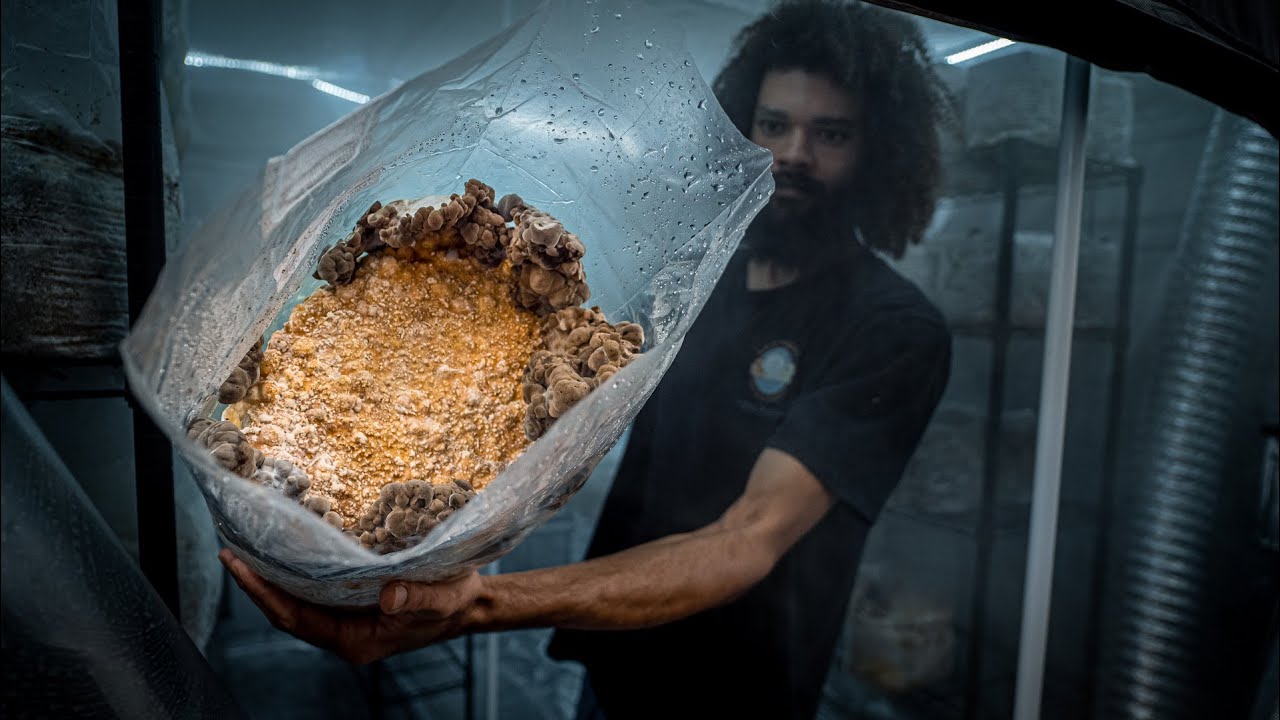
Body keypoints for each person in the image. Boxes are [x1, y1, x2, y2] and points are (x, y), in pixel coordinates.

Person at [220, 1, 953, 718]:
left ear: (880, 151)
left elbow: (748, 536)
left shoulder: (892, 329)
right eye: (773, 125)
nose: (792, 153)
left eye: (831, 134)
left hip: (739, 682)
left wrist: (479, 604)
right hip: (614, 652)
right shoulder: (703, 287)